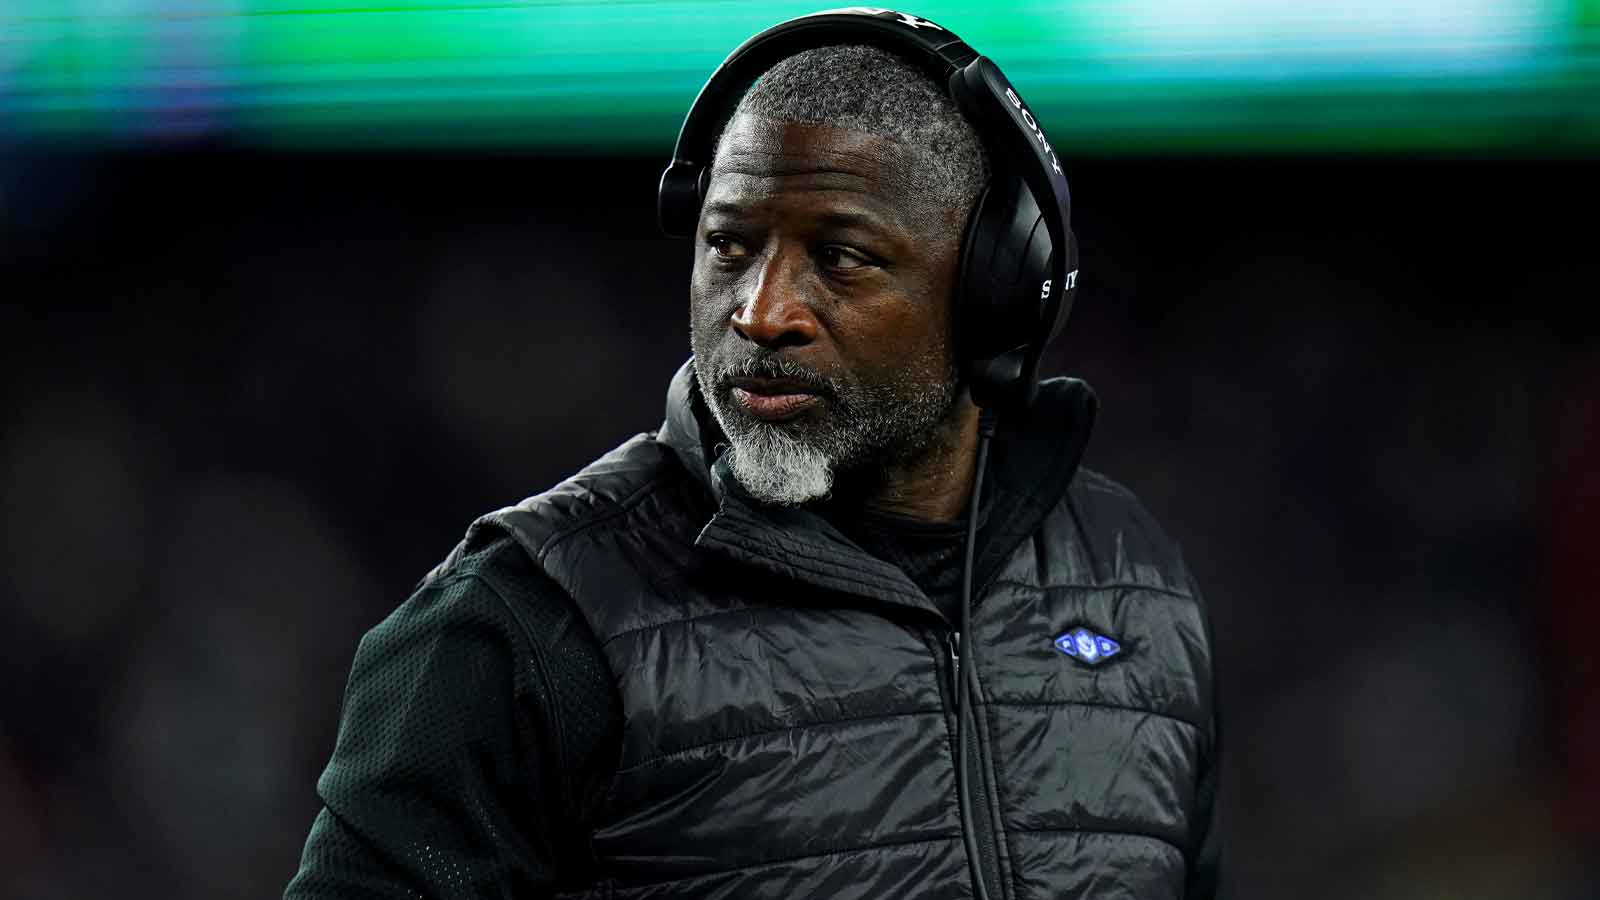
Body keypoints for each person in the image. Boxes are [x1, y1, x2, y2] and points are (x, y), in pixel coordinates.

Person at [286, 9, 1221, 900]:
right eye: (729, 244)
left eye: (842, 257)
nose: (762, 313)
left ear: (994, 290)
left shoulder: (1130, 574)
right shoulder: (518, 622)